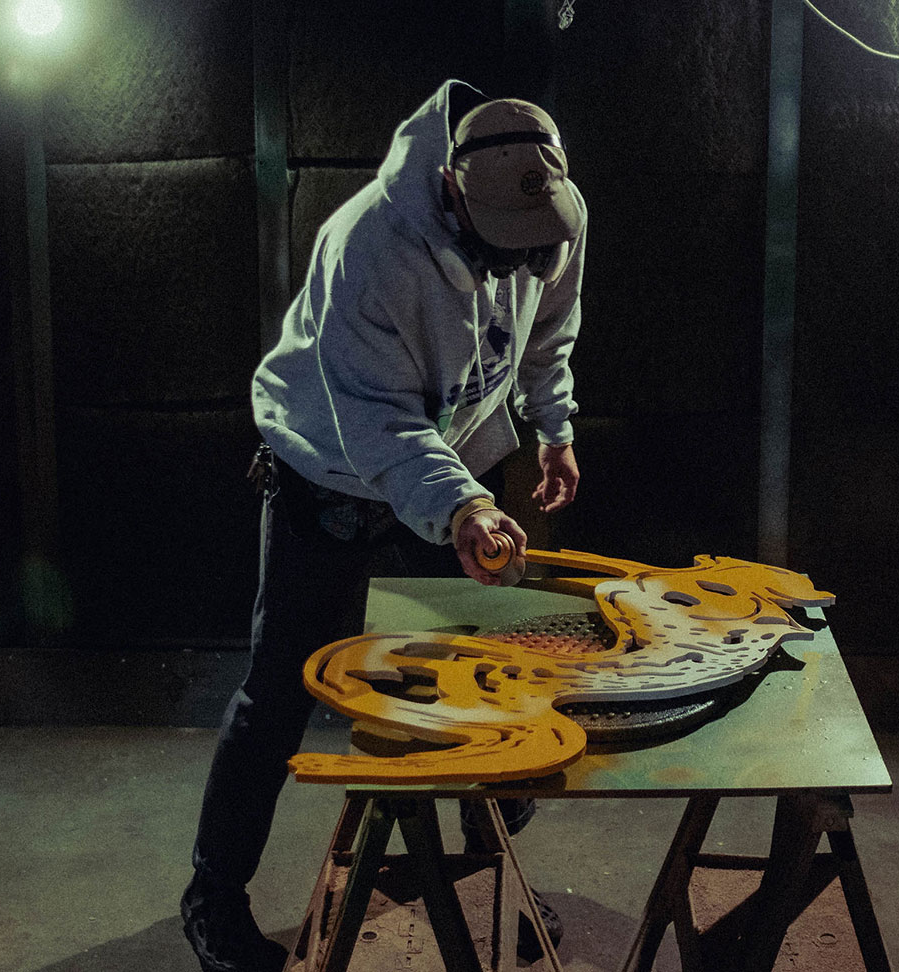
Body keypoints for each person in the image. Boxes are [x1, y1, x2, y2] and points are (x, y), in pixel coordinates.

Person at [181, 80, 587, 972]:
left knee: (475, 686)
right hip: (330, 465)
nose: (517, 267)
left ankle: (491, 887)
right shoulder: (365, 245)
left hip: (457, 447)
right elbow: (380, 427)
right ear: (452, 191)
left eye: (536, 247)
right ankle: (213, 900)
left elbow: (552, 324)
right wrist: (468, 509)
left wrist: (553, 426)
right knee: (279, 693)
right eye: (499, 249)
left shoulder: (552, 210)